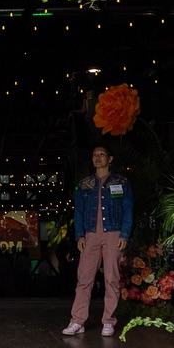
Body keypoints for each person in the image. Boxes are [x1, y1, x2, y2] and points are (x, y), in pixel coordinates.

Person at [63, 143, 133, 337]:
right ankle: (77, 320)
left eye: (102, 154)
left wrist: (124, 235)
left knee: (111, 278)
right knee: (84, 278)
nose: (98, 157)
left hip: (113, 233)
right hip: (91, 235)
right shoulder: (85, 184)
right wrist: (79, 235)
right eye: (95, 154)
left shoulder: (122, 182)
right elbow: (78, 212)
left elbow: (128, 210)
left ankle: (108, 321)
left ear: (110, 159)